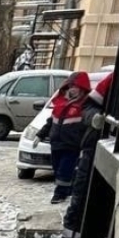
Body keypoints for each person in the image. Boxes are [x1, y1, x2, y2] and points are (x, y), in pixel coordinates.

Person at [58, 72, 113, 238]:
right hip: (94, 148)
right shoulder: (117, 77)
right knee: (80, 203)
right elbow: (88, 106)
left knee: (108, 210)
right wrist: (95, 119)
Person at [38, 71, 92, 205]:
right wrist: (40, 134)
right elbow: (51, 122)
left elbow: (87, 124)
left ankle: (59, 194)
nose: (72, 89)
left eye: (75, 86)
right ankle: (68, 189)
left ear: (82, 88)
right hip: (56, 143)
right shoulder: (60, 103)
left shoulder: (84, 106)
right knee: (57, 169)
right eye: (70, 86)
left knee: (64, 170)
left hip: (71, 145)